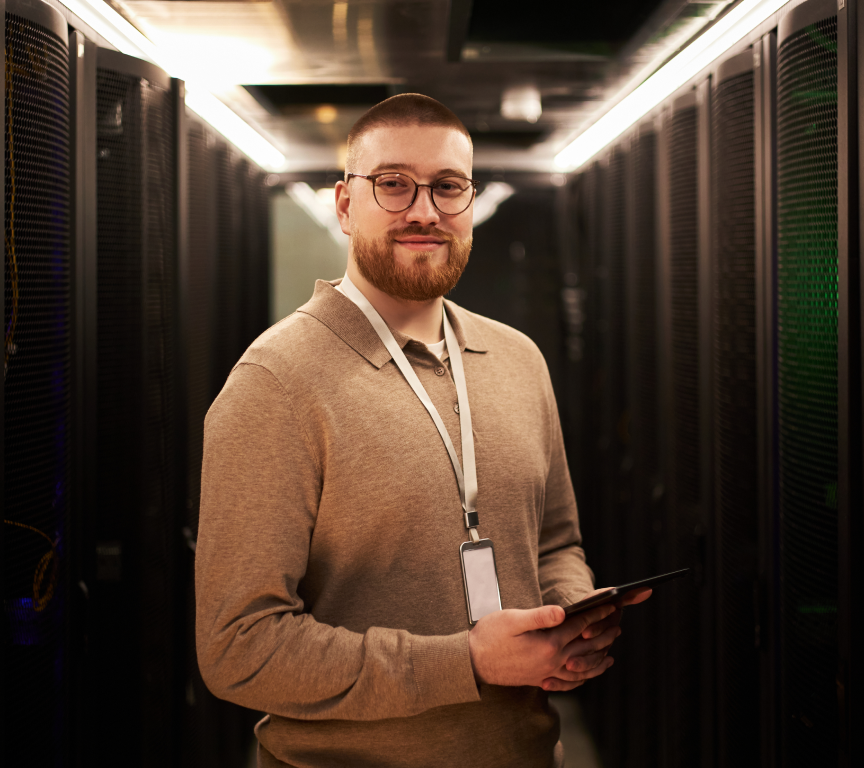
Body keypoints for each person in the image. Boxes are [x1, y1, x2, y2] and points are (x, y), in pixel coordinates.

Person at [195, 93, 649, 768]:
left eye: (448, 187)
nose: (424, 211)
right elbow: (239, 650)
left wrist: (568, 616)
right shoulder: (276, 381)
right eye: (393, 184)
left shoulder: (519, 361)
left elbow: (554, 541)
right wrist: (464, 660)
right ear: (346, 206)